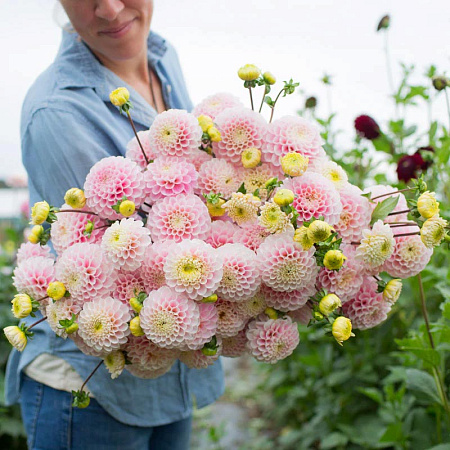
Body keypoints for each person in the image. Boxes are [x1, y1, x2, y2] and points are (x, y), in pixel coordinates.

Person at [5, 1, 224, 449]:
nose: (108, 9)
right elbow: (116, 264)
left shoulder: (162, 57)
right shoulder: (56, 113)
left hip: (168, 373)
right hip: (91, 393)